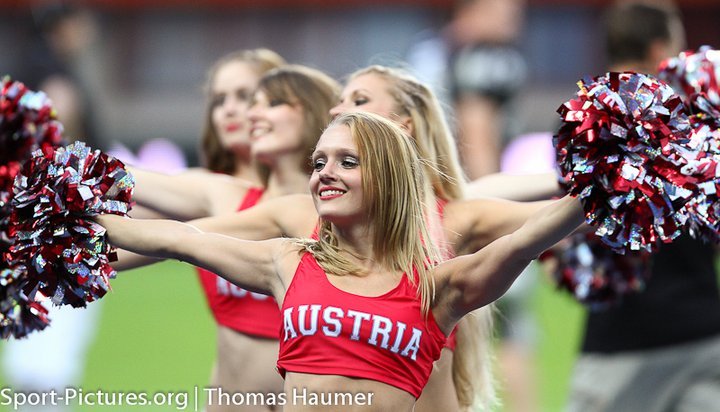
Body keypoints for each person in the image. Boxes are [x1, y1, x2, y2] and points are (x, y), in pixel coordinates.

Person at [116, 64, 558, 411]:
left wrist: (595, 173)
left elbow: (538, 226)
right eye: (339, 101)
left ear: (403, 125)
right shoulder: (297, 223)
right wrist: (89, 249)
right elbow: (182, 240)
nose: (338, 109)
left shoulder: (457, 216)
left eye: (359, 100)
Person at [128, 60, 340, 412]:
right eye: (219, 99)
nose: (242, 112)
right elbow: (127, 198)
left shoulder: (343, 212)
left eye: (253, 98)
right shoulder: (222, 193)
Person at [563, 3, 720, 412]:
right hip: (701, 335)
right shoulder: (696, 120)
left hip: (618, 345)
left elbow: (568, 238)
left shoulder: (581, 122)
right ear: (658, 50)